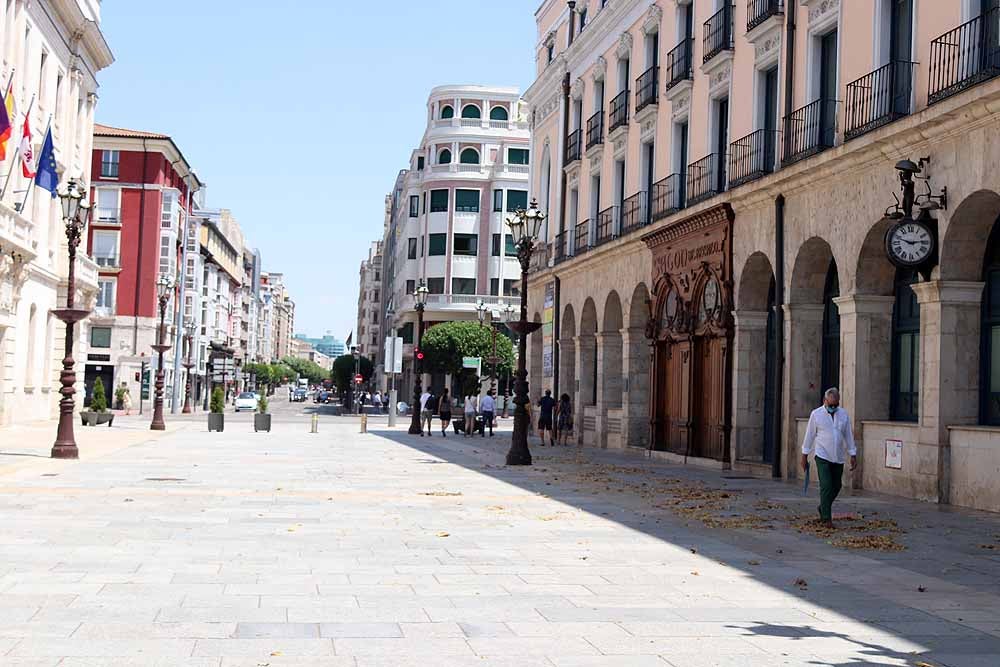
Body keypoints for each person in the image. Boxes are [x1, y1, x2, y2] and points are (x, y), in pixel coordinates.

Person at [801, 387, 857, 529]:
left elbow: (848, 436)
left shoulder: (843, 415)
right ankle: (826, 518)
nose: (833, 407)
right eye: (830, 405)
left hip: (838, 456)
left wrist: (853, 454)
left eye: (835, 405)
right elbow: (809, 435)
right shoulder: (816, 414)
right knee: (826, 485)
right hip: (822, 455)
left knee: (836, 486)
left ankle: (823, 506)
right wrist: (804, 455)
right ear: (824, 401)